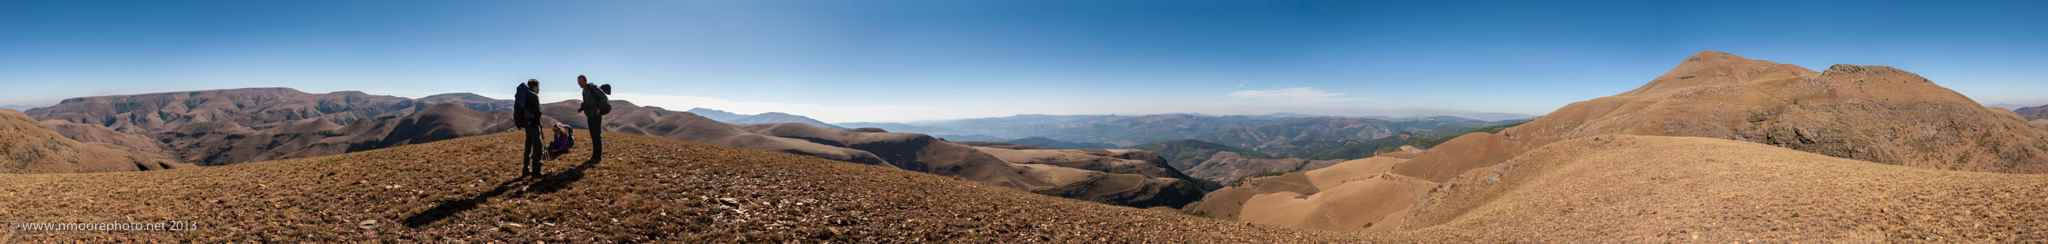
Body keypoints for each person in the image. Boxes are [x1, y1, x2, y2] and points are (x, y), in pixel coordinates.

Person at [576, 75, 612, 162]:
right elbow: (587, 102)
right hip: (590, 115)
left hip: (596, 115)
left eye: (581, 81)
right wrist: (581, 108)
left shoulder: (592, 88)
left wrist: (599, 110)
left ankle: (598, 157)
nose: (579, 83)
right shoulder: (584, 90)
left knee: (596, 136)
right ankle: (595, 155)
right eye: (578, 82)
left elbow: (604, 98)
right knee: (593, 136)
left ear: (585, 81)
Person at [513, 79, 545, 177]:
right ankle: (536, 171)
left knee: (528, 147)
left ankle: (525, 169)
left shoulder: (524, 96)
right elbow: (537, 113)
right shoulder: (534, 96)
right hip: (534, 125)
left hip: (527, 125)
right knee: (537, 148)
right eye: (538, 86)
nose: (539, 89)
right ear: (535, 86)